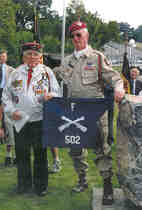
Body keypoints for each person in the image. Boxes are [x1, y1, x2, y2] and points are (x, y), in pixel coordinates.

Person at [54, 21, 125, 205]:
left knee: (102, 150)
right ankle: (82, 180)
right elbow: (55, 78)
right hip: (74, 113)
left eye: (80, 35)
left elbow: (114, 77)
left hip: (95, 112)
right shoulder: (67, 61)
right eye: (73, 36)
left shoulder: (97, 57)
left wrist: (118, 88)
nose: (76, 39)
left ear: (87, 36)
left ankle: (107, 187)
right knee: (76, 150)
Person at [2, 42, 61, 196]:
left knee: (40, 154)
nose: (32, 57)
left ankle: (41, 187)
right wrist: (10, 110)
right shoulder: (16, 73)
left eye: (35, 54)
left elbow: (57, 92)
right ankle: (23, 185)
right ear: (23, 56)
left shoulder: (47, 72)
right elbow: (6, 96)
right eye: (29, 54)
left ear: (40, 56)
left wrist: (51, 96)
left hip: (39, 119)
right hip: (20, 120)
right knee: (22, 154)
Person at [0, 50, 15, 165]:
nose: (2, 58)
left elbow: (17, 85)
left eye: (4, 56)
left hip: (8, 98)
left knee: (9, 124)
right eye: (1, 56)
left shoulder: (12, 70)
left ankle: (11, 155)